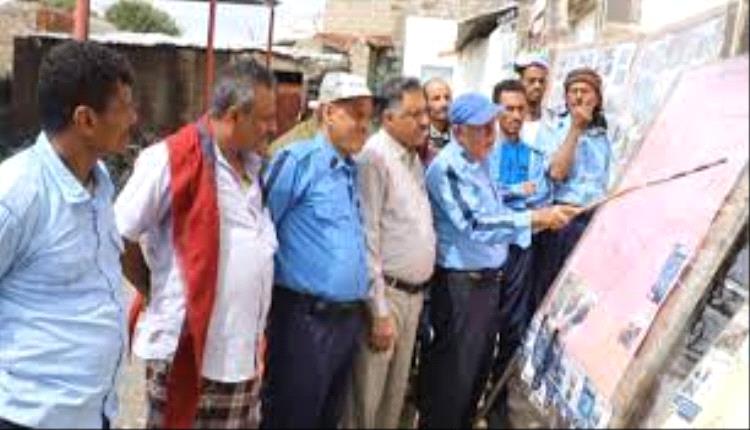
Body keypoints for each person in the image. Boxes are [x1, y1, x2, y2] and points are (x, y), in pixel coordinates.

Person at [116, 58, 278, 429]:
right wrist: (151, 287)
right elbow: (120, 233)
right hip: (187, 353)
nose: (273, 127)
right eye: (265, 118)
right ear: (234, 116)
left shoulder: (254, 169)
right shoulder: (170, 159)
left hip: (242, 356)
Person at [417, 92, 578, 428]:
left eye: (492, 126)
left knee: (475, 370)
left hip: (487, 282)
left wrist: (536, 205)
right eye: (483, 129)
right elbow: (476, 224)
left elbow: (494, 200)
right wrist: (535, 218)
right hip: (462, 287)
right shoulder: (447, 168)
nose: (492, 135)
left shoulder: (480, 162)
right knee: (454, 375)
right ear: (458, 131)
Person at [0, 40, 137, 429]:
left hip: (92, 414)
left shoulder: (100, 181)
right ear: (86, 119)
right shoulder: (17, 193)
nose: (134, 118)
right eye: (124, 107)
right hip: (28, 417)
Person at [260, 72, 374, 428]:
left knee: (327, 418)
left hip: (345, 320)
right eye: (355, 114)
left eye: (367, 116)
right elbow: (263, 229)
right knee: (292, 416)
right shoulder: (297, 161)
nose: (364, 125)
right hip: (304, 320)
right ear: (327, 113)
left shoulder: (350, 170)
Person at [341, 77, 436, 428]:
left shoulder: (411, 158)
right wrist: (379, 311)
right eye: (414, 114)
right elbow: (368, 238)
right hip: (387, 296)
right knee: (367, 401)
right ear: (389, 118)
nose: (424, 122)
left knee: (392, 401)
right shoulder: (374, 159)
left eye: (425, 112)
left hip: (413, 296)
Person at [486, 79, 553, 428]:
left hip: (521, 249)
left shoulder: (534, 156)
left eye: (520, 109)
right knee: (482, 327)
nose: (514, 115)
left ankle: (497, 403)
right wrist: (515, 192)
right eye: (508, 109)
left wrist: (508, 196)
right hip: (488, 250)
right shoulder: (482, 153)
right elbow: (486, 199)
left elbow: (540, 197)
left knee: (513, 326)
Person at [530, 67, 612, 321]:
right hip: (562, 221)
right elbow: (557, 172)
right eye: (572, 92)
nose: (578, 97)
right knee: (550, 293)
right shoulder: (553, 128)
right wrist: (575, 129)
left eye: (584, 91)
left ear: (597, 98)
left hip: (594, 221)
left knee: (581, 299)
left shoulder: (604, 134)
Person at [514, 51, 552, 146]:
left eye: (541, 81)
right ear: (520, 82)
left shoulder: (554, 122)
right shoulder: (505, 121)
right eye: (532, 81)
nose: (537, 86)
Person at [420, 77, 453, 165]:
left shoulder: (459, 133)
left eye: (447, 98)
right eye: (436, 98)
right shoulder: (419, 137)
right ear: (425, 103)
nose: (444, 104)